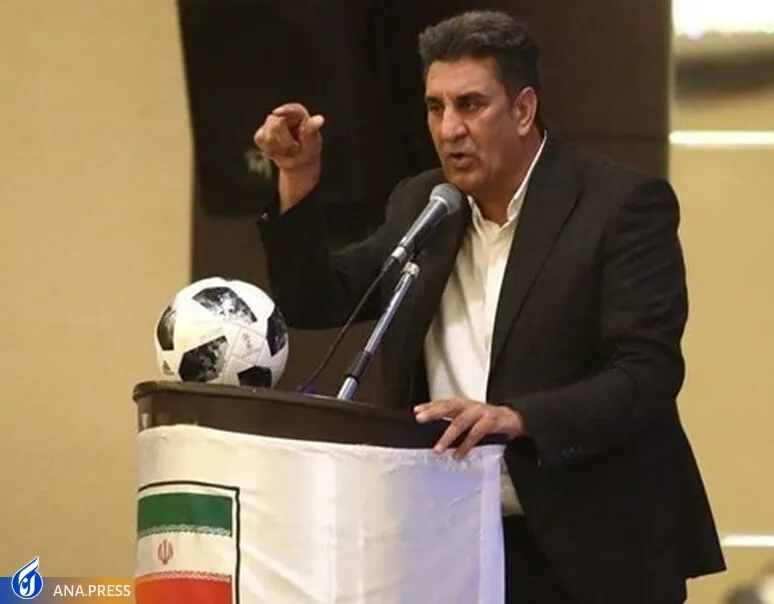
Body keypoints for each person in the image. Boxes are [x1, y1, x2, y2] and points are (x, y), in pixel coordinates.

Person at [251, 9, 725, 604]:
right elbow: (317, 300)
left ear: (523, 110)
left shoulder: (619, 207)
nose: (449, 129)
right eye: (435, 107)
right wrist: (297, 176)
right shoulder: (426, 204)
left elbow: (647, 373)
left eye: (470, 105)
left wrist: (516, 417)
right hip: (447, 540)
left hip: (590, 550)